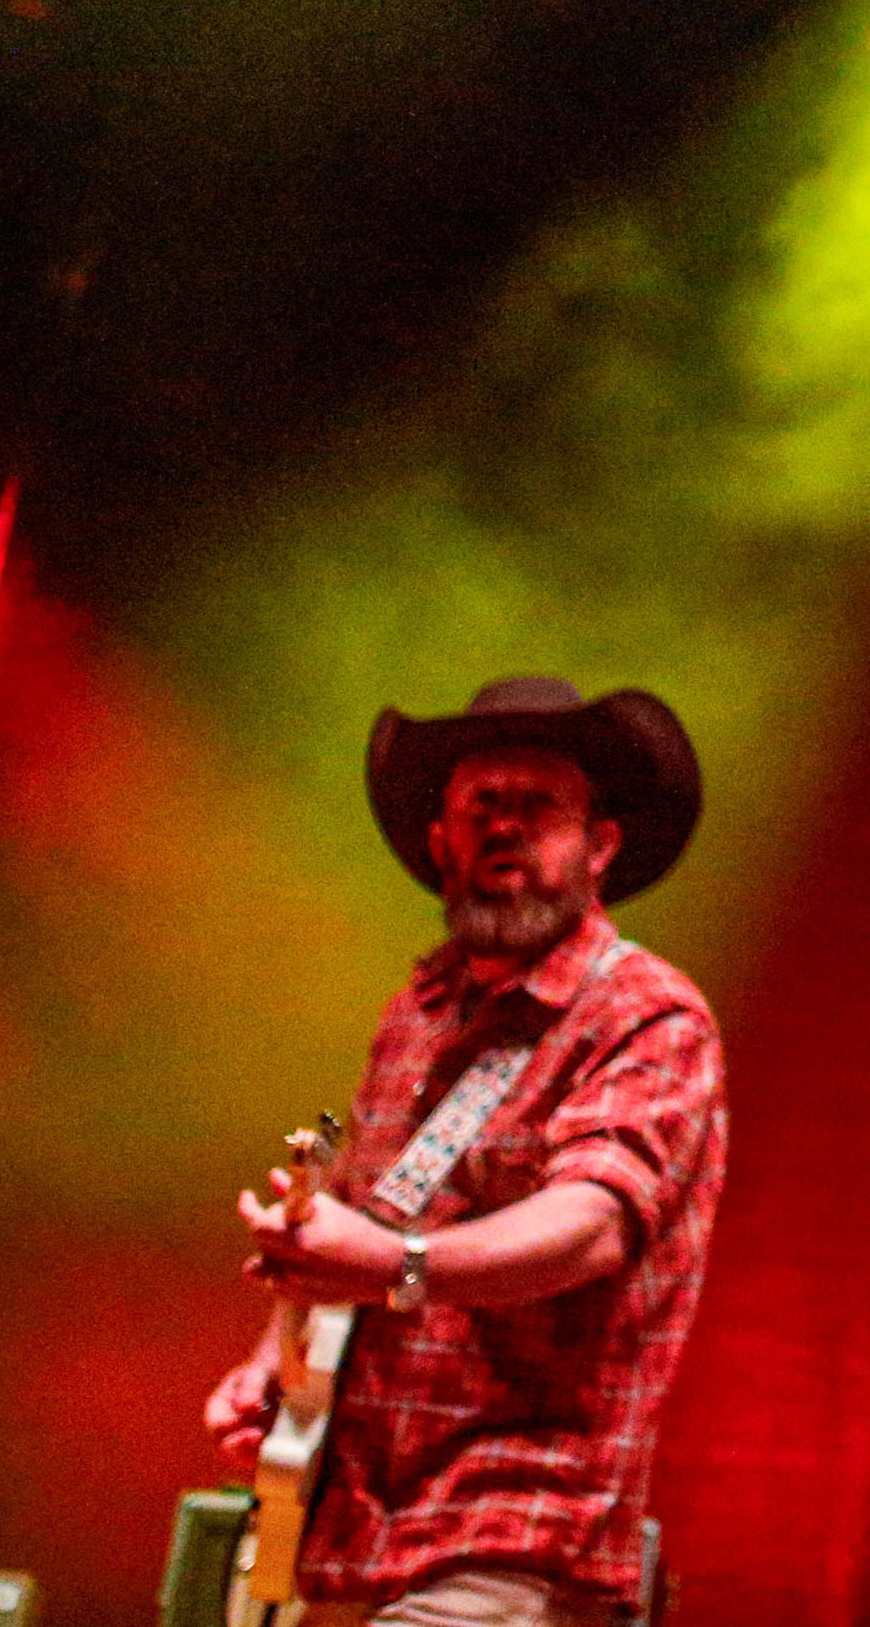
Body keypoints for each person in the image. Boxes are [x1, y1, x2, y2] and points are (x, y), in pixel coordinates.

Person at [202, 677, 729, 1627]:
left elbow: (591, 1227)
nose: (506, 827)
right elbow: (371, 1217)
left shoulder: (647, 1011)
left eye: (540, 807)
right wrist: (277, 1368)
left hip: (518, 1531)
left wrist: (392, 1267)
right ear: (441, 840)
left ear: (600, 846)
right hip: (358, 1530)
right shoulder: (421, 1013)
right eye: (482, 804)